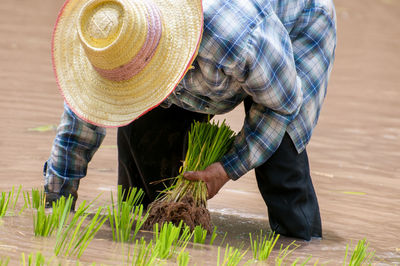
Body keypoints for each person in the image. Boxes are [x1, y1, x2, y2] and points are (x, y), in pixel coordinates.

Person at [44, 0, 337, 241]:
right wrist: (56, 202)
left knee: (281, 166)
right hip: (208, 67)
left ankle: (303, 245)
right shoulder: (109, 40)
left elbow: (281, 107)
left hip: (294, 30)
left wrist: (226, 169)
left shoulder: (235, 37)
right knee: (143, 160)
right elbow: (79, 125)